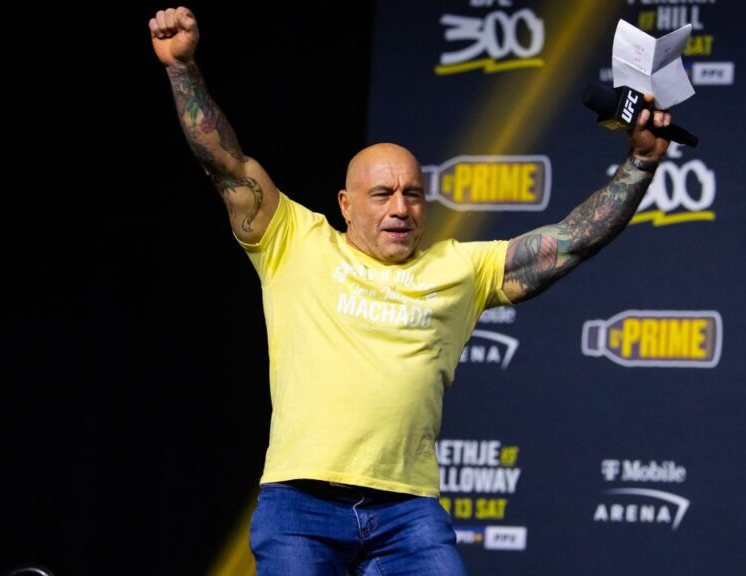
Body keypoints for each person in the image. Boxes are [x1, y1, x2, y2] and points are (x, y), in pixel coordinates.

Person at [150, 6, 673, 574]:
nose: (400, 207)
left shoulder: (459, 270)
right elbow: (226, 164)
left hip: (407, 512)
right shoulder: (293, 242)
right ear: (346, 205)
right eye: (382, 195)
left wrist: (640, 164)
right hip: (301, 504)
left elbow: (570, 242)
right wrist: (183, 69)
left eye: (413, 194)